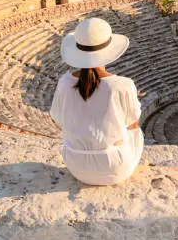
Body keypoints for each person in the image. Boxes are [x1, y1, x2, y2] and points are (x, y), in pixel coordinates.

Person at [50, 18, 143, 186]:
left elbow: (57, 118)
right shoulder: (123, 84)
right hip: (115, 167)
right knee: (136, 134)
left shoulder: (64, 82)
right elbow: (133, 123)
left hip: (76, 165)